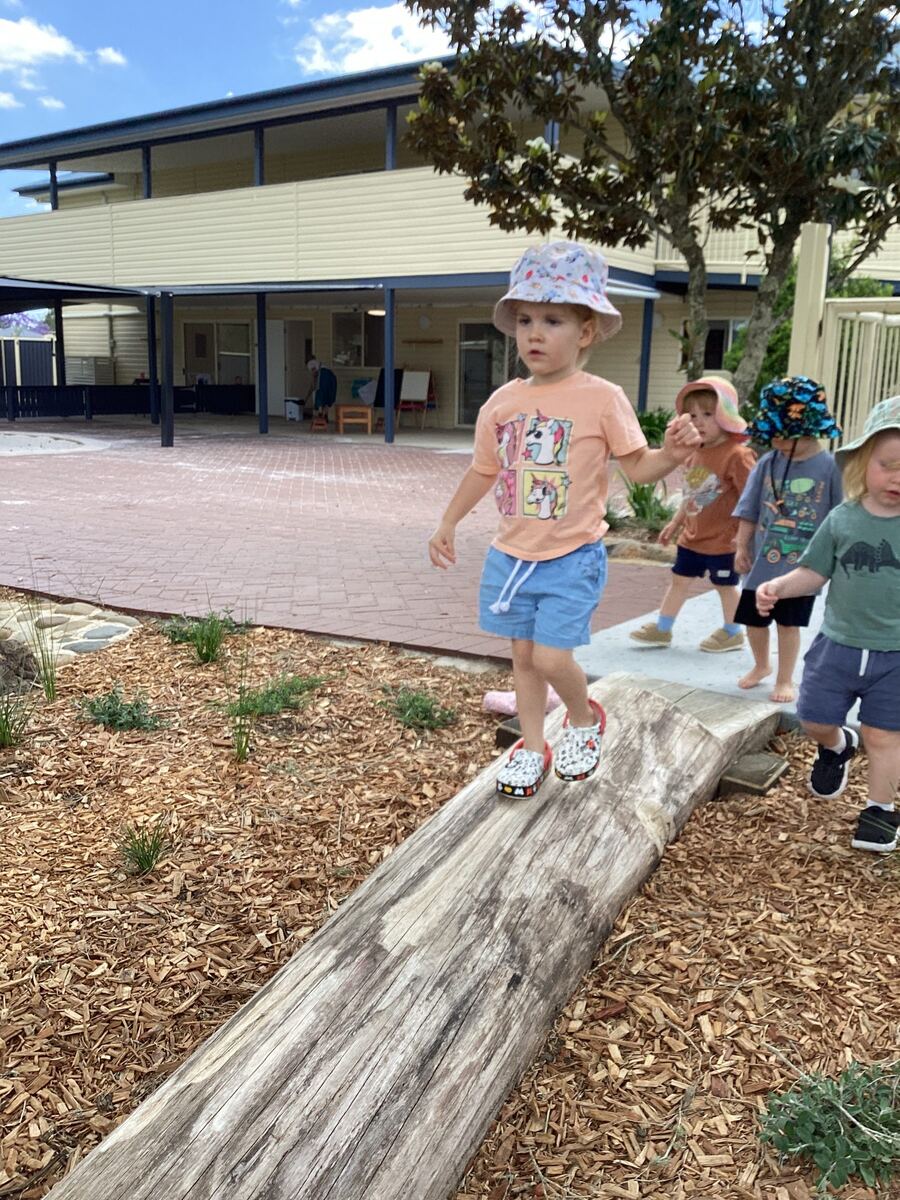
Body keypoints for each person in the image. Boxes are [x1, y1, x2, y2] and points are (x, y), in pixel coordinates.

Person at [427, 242, 700, 799]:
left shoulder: (603, 398)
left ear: (586, 331)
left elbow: (640, 467)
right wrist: (448, 522)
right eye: (525, 319)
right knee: (524, 659)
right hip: (511, 556)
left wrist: (671, 456)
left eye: (552, 320)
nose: (534, 332)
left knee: (553, 656)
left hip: (572, 555)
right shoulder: (500, 403)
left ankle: (582, 717)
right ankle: (531, 747)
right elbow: (484, 471)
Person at [756, 395, 900, 853]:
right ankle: (837, 745)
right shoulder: (843, 520)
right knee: (814, 719)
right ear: (863, 463)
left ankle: (879, 810)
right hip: (837, 646)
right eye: (888, 464)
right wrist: (778, 586)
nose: (897, 477)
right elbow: (815, 572)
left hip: (895, 654)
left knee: (885, 734)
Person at [733, 376, 843, 702]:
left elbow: (840, 516)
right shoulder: (768, 463)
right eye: (773, 436)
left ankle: (784, 678)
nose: (777, 442)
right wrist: (741, 546)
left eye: (784, 436)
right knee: (753, 621)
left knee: (788, 625)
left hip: (801, 568)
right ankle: (761, 665)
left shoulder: (830, 467)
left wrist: (837, 559)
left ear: (808, 431)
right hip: (761, 563)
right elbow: (749, 508)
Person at [629, 376, 755, 653]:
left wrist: (745, 538)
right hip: (693, 537)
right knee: (679, 580)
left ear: (726, 415)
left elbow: (751, 498)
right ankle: (662, 628)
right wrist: (675, 522)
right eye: (692, 415)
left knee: (725, 585)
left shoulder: (737, 455)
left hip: (724, 540)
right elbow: (692, 494)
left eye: (708, 414)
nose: (698, 421)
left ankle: (733, 631)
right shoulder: (692, 453)